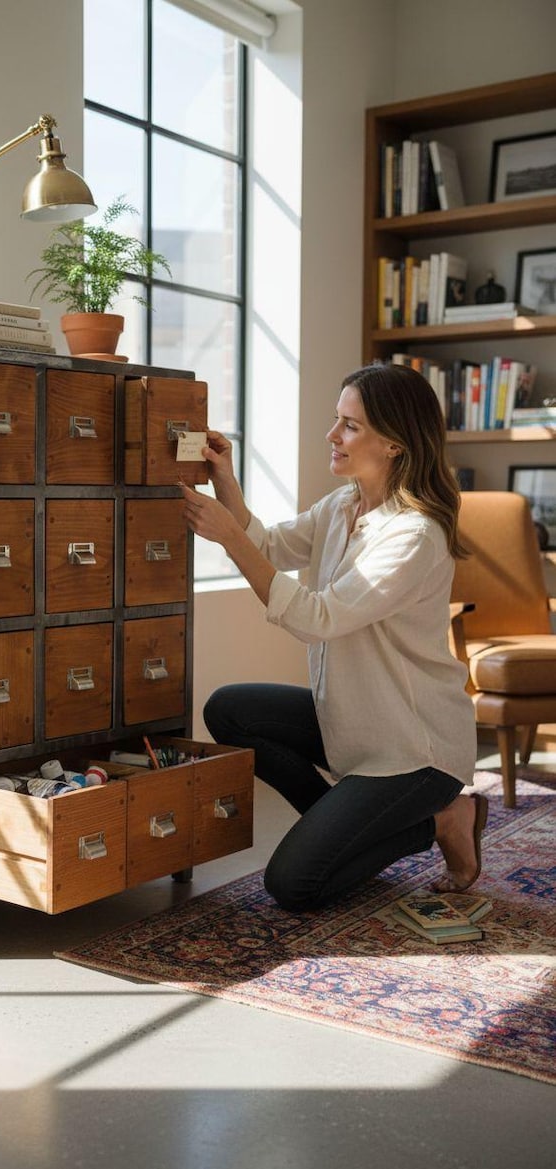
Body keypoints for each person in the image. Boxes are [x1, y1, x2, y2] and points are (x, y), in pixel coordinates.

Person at [179, 362, 483, 910]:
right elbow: (271, 547)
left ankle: (444, 818)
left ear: (394, 443)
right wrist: (227, 485)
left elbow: (318, 617)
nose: (332, 435)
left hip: (414, 753)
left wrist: (228, 540)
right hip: (352, 724)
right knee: (229, 710)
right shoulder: (342, 506)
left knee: (294, 886)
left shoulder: (414, 535)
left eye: (350, 425)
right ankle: (347, 828)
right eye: (336, 419)